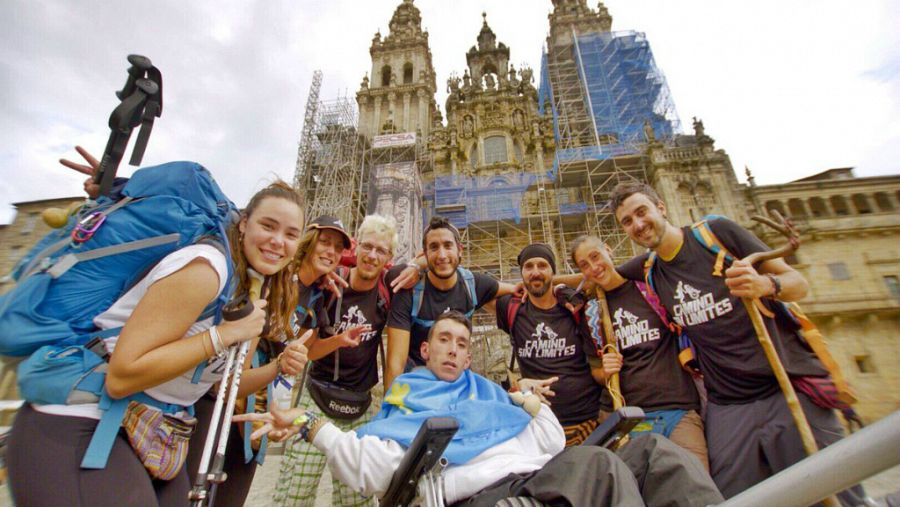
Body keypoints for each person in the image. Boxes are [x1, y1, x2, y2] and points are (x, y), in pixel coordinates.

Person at [8, 147, 310, 507]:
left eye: (291, 234)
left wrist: (278, 367)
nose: (278, 241)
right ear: (243, 223)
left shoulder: (251, 294)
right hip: (82, 420)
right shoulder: (206, 269)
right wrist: (222, 335)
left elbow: (225, 385)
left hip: (154, 430)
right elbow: (122, 375)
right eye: (268, 226)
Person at [237, 311, 724, 507]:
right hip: (481, 496)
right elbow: (374, 469)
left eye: (462, 343)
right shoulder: (409, 397)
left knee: (654, 454)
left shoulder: (491, 394)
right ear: (425, 350)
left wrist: (527, 401)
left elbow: (551, 442)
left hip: (540, 474)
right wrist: (310, 424)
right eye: (443, 340)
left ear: (470, 356)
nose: (453, 349)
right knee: (597, 467)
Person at [610, 181, 866, 504]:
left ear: (661, 207)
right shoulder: (649, 268)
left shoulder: (716, 233)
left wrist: (765, 285)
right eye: (627, 221)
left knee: (833, 493)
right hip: (728, 404)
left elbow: (797, 283)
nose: (637, 224)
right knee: (729, 497)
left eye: (641, 212)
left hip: (784, 387)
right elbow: (600, 274)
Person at [274, 214, 401, 507]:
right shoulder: (330, 284)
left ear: (388, 257)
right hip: (317, 396)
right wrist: (339, 340)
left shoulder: (387, 292)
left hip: (360, 404)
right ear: (356, 247)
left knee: (356, 497)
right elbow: (309, 349)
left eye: (381, 250)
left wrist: (417, 267)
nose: (372, 256)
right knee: (295, 491)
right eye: (367, 246)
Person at [570, 234, 708, 469]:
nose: (594, 267)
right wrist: (606, 372)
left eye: (596, 256)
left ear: (608, 250)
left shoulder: (650, 287)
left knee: (698, 480)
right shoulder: (591, 314)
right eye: (584, 265)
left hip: (678, 410)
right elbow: (595, 372)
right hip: (629, 417)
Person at [384, 215, 518, 389]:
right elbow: (395, 364)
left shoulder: (472, 285)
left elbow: (516, 289)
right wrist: (391, 405)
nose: (442, 255)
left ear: (459, 250)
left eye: (448, 246)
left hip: (458, 381)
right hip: (419, 382)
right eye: (434, 247)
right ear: (424, 254)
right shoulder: (410, 290)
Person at [493, 244, 606, 446]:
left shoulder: (573, 305)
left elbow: (592, 279)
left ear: (553, 270)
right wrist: (514, 287)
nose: (535, 272)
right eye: (528, 267)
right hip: (542, 425)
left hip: (587, 420)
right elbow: (475, 288)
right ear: (521, 273)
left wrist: (557, 285)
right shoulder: (512, 309)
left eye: (543, 266)